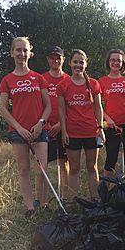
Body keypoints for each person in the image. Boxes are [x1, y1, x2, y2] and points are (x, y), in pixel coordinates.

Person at [0, 37, 51, 218]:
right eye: (18, 50)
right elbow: (3, 108)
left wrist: (40, 123)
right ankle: (30, 207)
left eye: (25, 50)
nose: (22, 54)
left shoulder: (39, 78)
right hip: (18, 132)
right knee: (23, 169)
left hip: (39, 130)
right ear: (12, 52)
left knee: (42, 169)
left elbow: (48, 106)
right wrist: (19, 128)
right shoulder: (7, 80)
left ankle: (42, 204)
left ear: (30, 53)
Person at [57, 49, 105, 199]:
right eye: (75, 62)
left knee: (92, 167)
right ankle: (73, 202)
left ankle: (95, 200)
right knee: (74, 168)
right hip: (72, 132)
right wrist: (64, 131)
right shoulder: (63, 85)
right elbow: (61, 110)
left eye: (81, 62)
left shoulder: (93, 84)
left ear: (85, 64)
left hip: (91, 131)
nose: (78, 65)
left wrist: (100, 128)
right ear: (70, 63)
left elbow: (98, 107)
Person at [98, 49, 125, 176]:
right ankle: (106, 190)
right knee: (111, 156)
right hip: (112, 124)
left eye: (119, 60)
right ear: (108, 62)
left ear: (123, 63)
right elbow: (97, 105)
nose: (116, 63)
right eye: (113, 60)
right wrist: (106, 119)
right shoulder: (101, 81)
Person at [42, 45, 70, 201]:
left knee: (64, 163)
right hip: (46, 128)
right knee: (45, 165)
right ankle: (45, 199)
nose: (55, 60)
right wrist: (44, 124)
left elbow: (72, 106)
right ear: (48, 59)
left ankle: (64, 198)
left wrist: (61, 124)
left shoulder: (68, 79)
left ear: (63, 60)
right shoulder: (42, 79)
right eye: (52, 58)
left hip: (64, 127)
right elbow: (38, 105)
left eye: (58, 57)